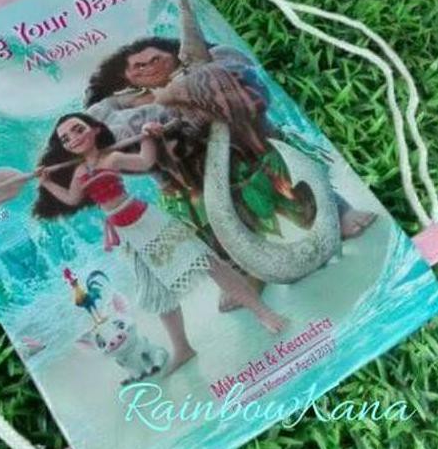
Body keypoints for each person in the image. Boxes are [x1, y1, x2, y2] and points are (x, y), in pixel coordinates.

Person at [84, 0, 376, 243]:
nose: (148, 67)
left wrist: (180, 91)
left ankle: (336, 211)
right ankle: (240, 271)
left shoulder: (217, 57)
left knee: (281, 170)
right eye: (138, 66)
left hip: (254, 157)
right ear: (126, 77)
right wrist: (163, 106)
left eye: (155, 59)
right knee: (210, 224)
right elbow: (105, 138)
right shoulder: (110, 110)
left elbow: (241, 82)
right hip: (196, 187)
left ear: (172, 55)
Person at [33, 113, 286, 374]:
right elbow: (72, 199)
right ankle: (183, 349)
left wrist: (147, 135)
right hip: (126, 235)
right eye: (66, 139)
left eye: (78, 130)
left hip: (146, 220)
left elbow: (146, 161)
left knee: (209, 263)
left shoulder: (113, 158)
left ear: (95, 129)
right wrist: (47, 182)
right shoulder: (79, 172)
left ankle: (263, 312)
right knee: (158, 291)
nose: (73, 139)